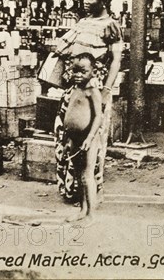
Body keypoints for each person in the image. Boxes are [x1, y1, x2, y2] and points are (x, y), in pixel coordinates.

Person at [54, 0, 123, 202]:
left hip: (95, 86)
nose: (84, 0)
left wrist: (106, 89)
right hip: (73, 88)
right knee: (66, 134)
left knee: (92, 139)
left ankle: (91, 193)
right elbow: (63, 49)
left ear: (103, 1)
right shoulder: (81, 23)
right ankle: (70, 190)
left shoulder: (111, 26)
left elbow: (115, 60)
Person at [60, 53, 103, 225]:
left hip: (88, 138)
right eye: (75, 71)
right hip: (74, 137)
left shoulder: (92, 91)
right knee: (77, 175)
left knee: (87, 176)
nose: (78, 75)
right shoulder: (75, 89)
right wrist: (66, 137)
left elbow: (98, 117)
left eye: (83, 71)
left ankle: (92, 214)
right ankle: (83, 210)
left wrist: (90, 137)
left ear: (93, 71)